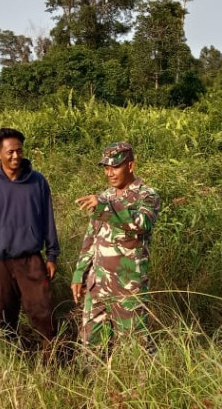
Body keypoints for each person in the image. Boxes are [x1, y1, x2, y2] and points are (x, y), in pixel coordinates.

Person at [71, 142, 161, 352]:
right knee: (90, 345)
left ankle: (144, 383)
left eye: (115, 167)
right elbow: (91, 237)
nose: (110, 173)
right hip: (98, 283)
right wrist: (79, 273)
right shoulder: (105, 196)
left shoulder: (147, 195)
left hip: (127, 285)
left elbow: (141, 224)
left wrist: (104, 207)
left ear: (130, 166)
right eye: (106, 167)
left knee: (135, 346)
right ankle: (93, 383)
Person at [0, 128, 60, 346]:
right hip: (0, 262)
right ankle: (13, 359)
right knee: (6, 315)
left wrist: (51, 255)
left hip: (31, 260)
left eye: (19, 151)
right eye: (10, 152)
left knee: (43, 312)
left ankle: (51, 360)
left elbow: (48, 220)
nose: (16, 156)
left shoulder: (37, 182)